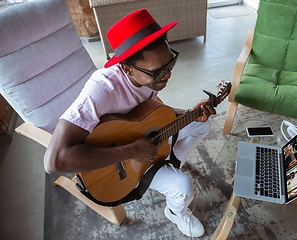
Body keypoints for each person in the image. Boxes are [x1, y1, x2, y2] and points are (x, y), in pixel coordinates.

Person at [44, 9, 216, 238]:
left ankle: (168, 162)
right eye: (158, 73)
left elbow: (150, 114)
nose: (167, 76)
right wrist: (133, 150)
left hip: (141, 145)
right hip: (118, 164)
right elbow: (54, 161)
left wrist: (190, 113)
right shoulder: (101, 90)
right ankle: (176, 213)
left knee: (203, 125)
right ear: (127, 69)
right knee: (183, 188)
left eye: (170, 64)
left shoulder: (148, 77)